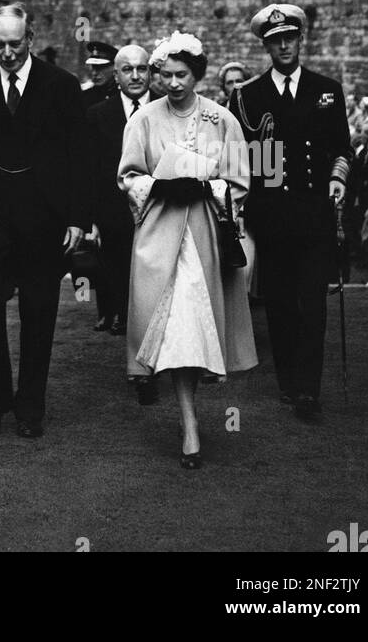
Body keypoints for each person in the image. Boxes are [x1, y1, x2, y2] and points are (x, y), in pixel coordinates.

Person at [0, 3, 91, 439]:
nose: (7, 53)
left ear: (30, 40)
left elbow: (78, 157)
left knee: (39, 310)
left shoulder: (62, 86)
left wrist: (77, 217)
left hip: (43, 214)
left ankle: (31, 405)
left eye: (15, 44)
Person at [119, 32, 257, 468]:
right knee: (175, 330)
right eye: (166, 75)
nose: (173, 84)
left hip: (204, 237)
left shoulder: (222, 120)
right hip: (160, 236)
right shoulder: (143, 120)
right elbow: (127, 177)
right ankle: (190, 424)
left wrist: (205, 185)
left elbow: (239, 183)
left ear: (197, 75)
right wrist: (159, 184)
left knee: (197, 329)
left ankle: (190, 416)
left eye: (182, 75)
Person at [229, 3, 351, 422]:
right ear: (266, 45)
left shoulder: (327, 89)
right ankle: (288, 380)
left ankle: (308, 390)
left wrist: (337, 178)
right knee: (280, 303)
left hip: (316, 212)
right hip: (274, 216)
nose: (283, 45)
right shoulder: (248, 95)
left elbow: (341, 147)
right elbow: (248, 157)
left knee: (313, 303)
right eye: (274, 40)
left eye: (289, 38)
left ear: (300, 40)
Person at [87, 44, 149, 348]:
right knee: (115, 275)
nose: (135, 76)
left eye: (142, 69)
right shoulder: (98, 114)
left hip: (156, 212)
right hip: (113, 214)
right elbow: (91, 170)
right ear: (117, 74)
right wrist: (91, 219)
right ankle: (121, 319)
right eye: (128, 69)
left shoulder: (166, 107)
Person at [80, 42, 117, 113]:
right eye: (93, 67)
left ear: (114, 67)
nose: (94, 73)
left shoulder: (123, 95)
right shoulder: (85, 96)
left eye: (101, 67)